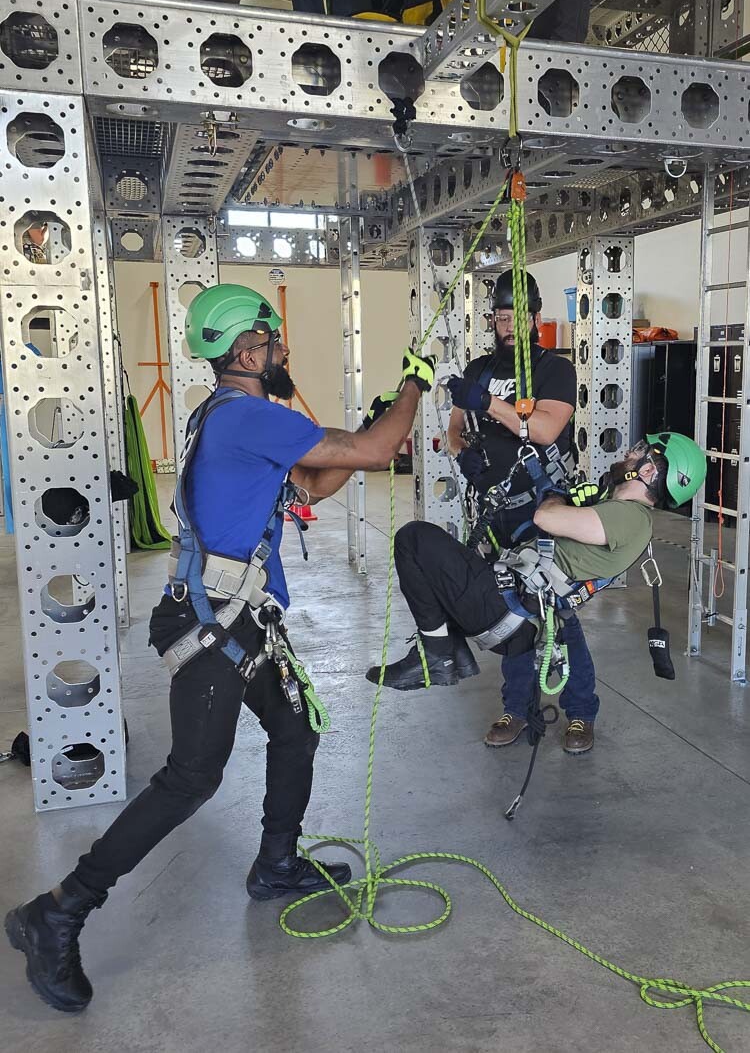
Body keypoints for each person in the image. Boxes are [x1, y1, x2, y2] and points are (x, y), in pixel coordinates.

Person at [4, 283, 436, 1014]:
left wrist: (366, 431)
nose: (283, 350)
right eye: (273, 341)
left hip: (239, 618)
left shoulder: (228, 418)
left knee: (294, 731)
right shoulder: (251, 418)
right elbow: (378, 451)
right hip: (213, 625)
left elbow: (313, 484)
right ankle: (58, 910)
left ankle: (275, 864)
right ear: (246, 351)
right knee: (190, 780)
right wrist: (414, 388)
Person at [367, 432, 707, 742]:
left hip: (504, 607)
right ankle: (519, 707)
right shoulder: (614, 507)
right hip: (522, 607)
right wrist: (576, 500)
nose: (628, 454)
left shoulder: (630, 517)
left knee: (414, 538)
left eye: (638, 453)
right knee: (562, 625)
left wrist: (557, 496)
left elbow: (546, 519)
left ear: (648, 472)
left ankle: (436, 654)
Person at [444, 269, 597, 752]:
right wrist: (463, 452)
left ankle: (579, 713)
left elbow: (547, 431)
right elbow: (454, 428)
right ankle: (517, 708)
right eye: (501, 317)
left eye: (518, 317)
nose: (509, 325)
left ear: (535, 317)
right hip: (497, 513)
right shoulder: (479, 369)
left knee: (554, 611)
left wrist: (488, 405)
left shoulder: (555, 369)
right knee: (507, 614)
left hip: (543, 508)